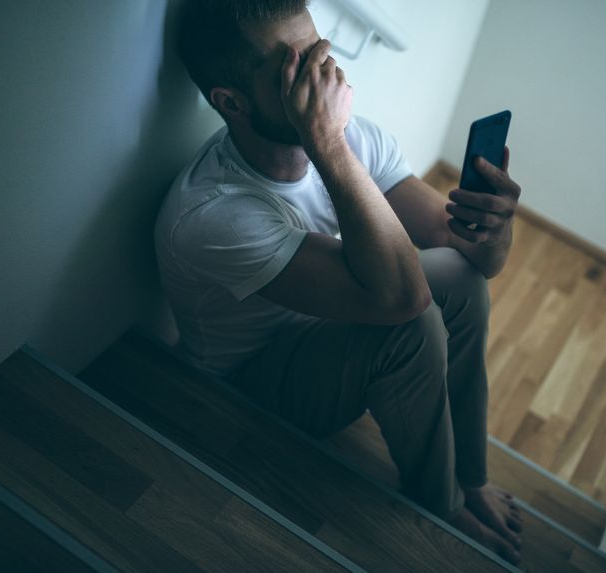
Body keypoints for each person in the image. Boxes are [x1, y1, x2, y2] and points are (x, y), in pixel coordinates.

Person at [154, 0, 525, 565]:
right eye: (297, 63)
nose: (328, 71)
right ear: (231, 103)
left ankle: (470, 475)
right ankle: (442, 507)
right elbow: (404, 299)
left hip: (329, 324)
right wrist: (325, 140)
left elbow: (476, 262)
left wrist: (496, 228)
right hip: (256, 382)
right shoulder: (211, 213)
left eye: (320, 44)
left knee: (460, 277)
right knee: (411, 322)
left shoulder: (355, 139)